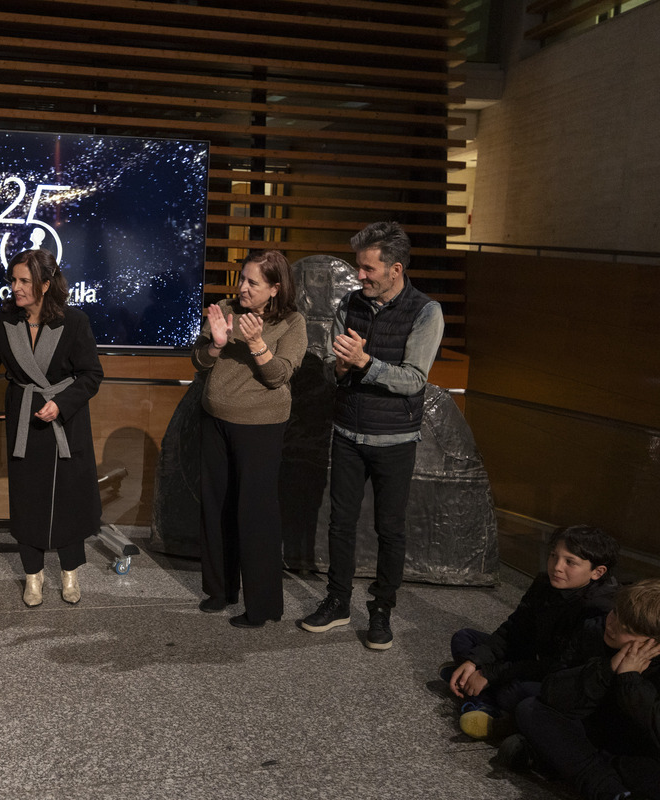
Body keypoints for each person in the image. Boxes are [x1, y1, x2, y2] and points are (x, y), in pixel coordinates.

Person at [298, 220, 444, 650]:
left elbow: (414, 380)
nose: (359, 276)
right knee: (340, 523)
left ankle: (381, 611)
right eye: (360, 268)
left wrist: (364, 362)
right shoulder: (351, 303)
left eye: (368, 269)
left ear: (395, 269)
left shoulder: (425, 311)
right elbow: (332, 367)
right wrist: (339, 367)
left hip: (394, 440)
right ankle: (337, 602)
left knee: (390, 529)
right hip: (347, 432)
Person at [0, 249, 103, 607]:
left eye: (24, 281)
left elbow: (92, 375)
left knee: (69, 497)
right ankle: (33, 575)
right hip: (24, 416)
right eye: (13, 280)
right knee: (28, 497)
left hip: (65, 420)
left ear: (45, 284)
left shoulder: (75, 321)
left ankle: (70, 572)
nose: (15, 287)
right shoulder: (3, 322)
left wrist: (61, 404)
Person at [192, 250, 307, 628]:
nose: (241, 288)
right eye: (241, 279)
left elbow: (278, 376)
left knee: (254, 514)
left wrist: (257, 344)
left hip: (260, 427)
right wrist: (217, 345)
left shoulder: (292, 322)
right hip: (215, 421)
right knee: (216, 506)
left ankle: (263, 607)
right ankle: (220, 590)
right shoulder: (226, 308)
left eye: (252, 283)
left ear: (275, 288)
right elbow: (199, 361)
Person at [443, 525, 619, 739]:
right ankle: (478, 691)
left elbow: (556, 666)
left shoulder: (598, 611)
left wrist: (490, 672)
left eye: (570, 562)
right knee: (464, 638)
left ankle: (480, 698)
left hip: (556, 676)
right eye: (554, 556)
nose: (557, 567)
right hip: (530, 657)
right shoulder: (544, 584)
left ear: (597, 572)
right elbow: (513, 628)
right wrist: (475, 662)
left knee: (514, 694)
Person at [505, 579, 660, 800]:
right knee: (529, 708)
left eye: (626, 629)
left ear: (653, 643)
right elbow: (553, 691)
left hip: (636, 753)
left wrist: (630, 680)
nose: (612, 625)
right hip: (591, 730)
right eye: (615, 613)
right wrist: (608, 669)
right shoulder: (593, 630)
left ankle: (553, 760)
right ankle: (610, 791)